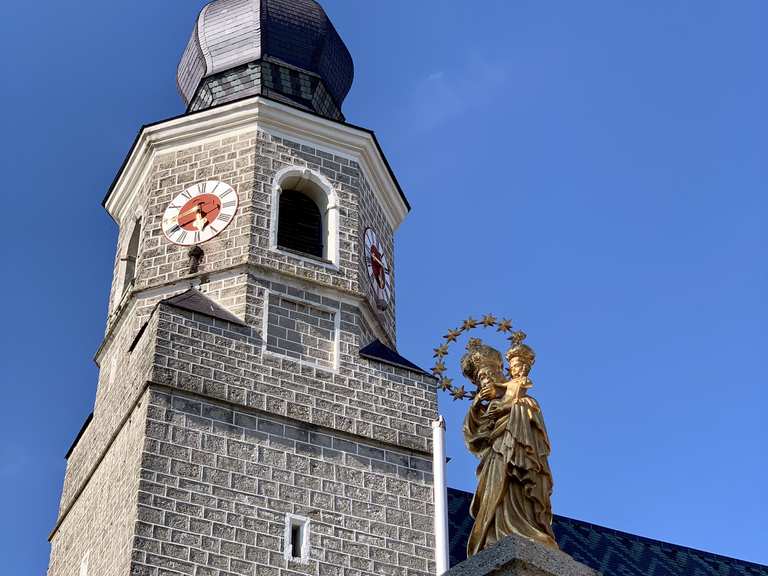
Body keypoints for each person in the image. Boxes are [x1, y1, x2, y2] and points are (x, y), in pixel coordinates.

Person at [461, 337, 558, 556]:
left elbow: (532, 431)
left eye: (489, 374)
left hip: (516, 451)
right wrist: (478, 404)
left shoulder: (522, 398)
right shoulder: (484, 407)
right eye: (481, 378)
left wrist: (508, 409)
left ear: (500, 373)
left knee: (518, 484)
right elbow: (473, 435)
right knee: (494, 493)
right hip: (496, 454)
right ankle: (494, 534)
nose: (486, 380)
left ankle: (528, 528)